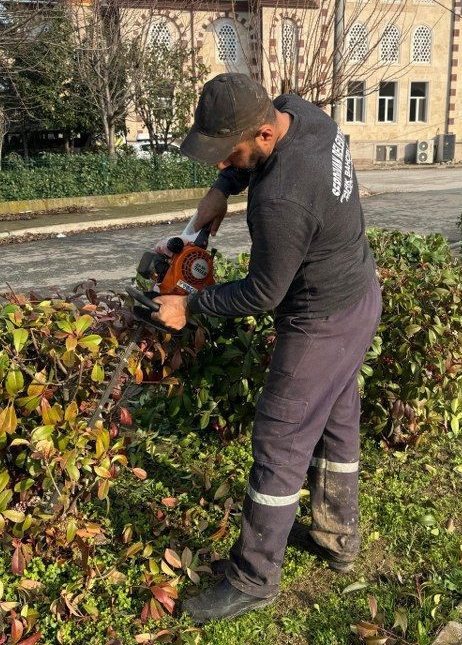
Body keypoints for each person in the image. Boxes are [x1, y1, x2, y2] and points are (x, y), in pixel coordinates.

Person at [150, 73, 381, 623]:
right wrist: (220, 191)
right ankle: (336, 534)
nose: (218, 161)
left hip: (321, 319)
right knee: (337, 421)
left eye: (228, 153)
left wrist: (189, 307)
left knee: (280, 438)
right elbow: (244, 160)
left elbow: (262, 292)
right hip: (359, 295)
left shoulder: (281, 200)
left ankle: (254, 577)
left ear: (264, 135)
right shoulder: (303, 114)